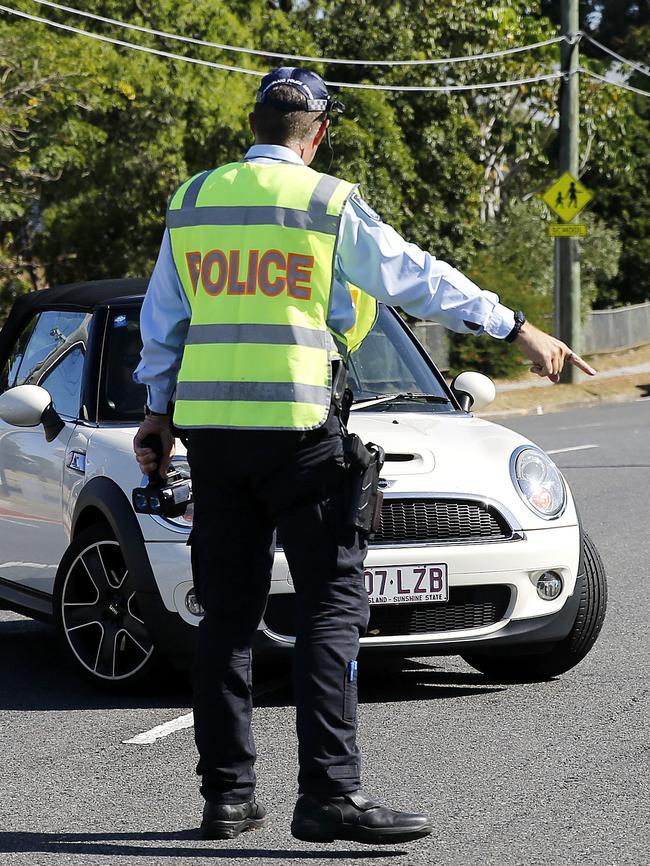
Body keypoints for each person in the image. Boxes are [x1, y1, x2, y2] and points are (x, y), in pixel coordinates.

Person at [133, 66, 595, 846]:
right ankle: (329, 797)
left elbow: (163, 319)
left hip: (213, 439)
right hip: (300, 434)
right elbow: (420, 281)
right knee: (328, 612)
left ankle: (227, 798)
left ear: (255, 125)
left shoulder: (195, 200)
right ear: (316, 134)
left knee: (229, 619)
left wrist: (155, 416)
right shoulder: (324, 203)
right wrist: (518, 327)